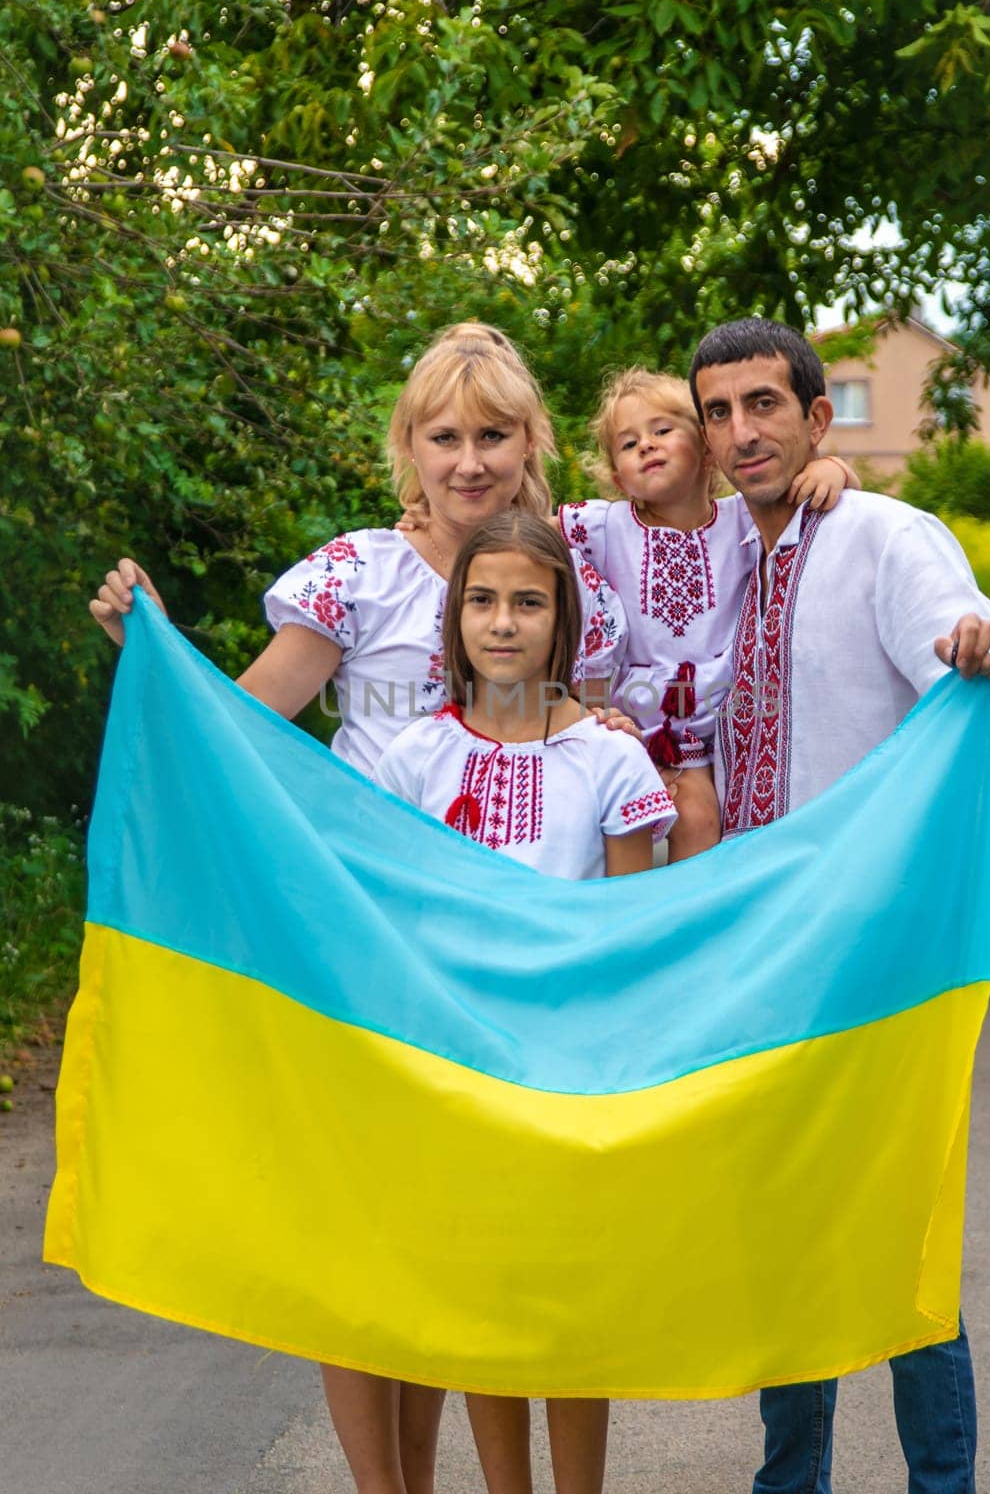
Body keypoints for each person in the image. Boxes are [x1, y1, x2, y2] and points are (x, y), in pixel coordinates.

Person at [88, 325, 629, 1494]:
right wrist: (154, 658)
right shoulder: (357, 572)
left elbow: (587, 728)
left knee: (467, 1246)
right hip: (363, 940)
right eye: (445, 437)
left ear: (529, 439)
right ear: (408, 446)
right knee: (366, 1240)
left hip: (508, 961)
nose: (469, 459)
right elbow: (242, 727)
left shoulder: (559, 564)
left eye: (493, 434)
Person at [687, 316, 990, 1494]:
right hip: (760, 954)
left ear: (810, 414)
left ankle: (937, 1484)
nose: (740, 431)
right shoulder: (724, 561)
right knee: (786, 1243)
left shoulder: (885, 535)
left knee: (894, 1240)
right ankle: (787, 1482)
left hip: (874, 955)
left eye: (761, 405)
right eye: (717, 411)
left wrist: (980, 650)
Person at [377, 510, 676, 1494]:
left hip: (573, 1075)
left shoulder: (611, 760)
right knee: (486, 1306)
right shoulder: (414, 756)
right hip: (456, 1076)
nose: (502, 622)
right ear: (453, 617)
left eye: (527, 601)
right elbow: (392, 918)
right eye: (481, 599)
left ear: (566, 623)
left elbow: (630, 930)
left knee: (568, 1309)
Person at [556, 367, 860, 861]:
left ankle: (689, 923)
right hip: (629, 719)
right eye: (629, 444)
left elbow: (816, 490)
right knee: (599, 829)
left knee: (700, 821)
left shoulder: (742, 516)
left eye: (661, 431)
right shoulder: (607, 526)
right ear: (617, 477)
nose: (646, 447)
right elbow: (519, 534)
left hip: (720, 719)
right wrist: (430, 517)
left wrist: (835, 469)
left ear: (706, 448)